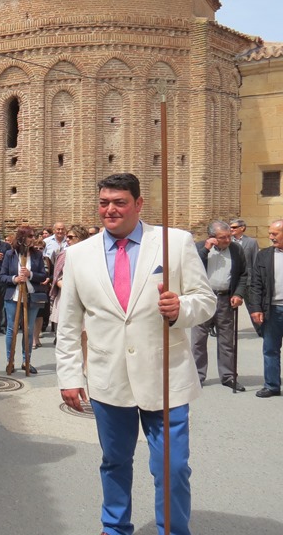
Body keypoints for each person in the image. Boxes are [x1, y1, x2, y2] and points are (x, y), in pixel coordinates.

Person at [55, 173, 215, 535]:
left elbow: (205, 301)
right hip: (108, 377)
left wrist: (181, 308)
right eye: (104, 202)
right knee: (114, 462)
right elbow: (67, 324)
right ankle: (115, 528)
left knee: (172, 467)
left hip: (165, 376)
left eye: (120, 202)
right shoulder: (78, 255)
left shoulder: (175, 243)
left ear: (139, 204)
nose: (110, 210)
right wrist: (68, 377)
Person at [190, 220, 248, 392]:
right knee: (198, 340)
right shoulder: (199, 247)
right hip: (203, 298)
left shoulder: (236, 249)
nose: (227, 240)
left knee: (226, 340)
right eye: (223, 238)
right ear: (212, 237)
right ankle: (197, 376)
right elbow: (191, 268)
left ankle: (228, 376)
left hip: (225, 299)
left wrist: (238, 294)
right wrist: (206, 249)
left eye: (229, 236)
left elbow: (244, 274)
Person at [0, 226, 48, 373]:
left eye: (33, 236)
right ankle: (10, 360)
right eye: (30, 236)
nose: (33, 239)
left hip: (31, 296)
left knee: (28, 329)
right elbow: (2, 276)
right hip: (13, 296)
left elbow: (43, 275)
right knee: (11, 329)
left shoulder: (37, 255)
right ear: (22, 238)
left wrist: (30, 274)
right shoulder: (10, 254)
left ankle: (26, 360)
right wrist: (15, 279)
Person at [248, 219, 283, 398]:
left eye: (274, 234)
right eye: (270, 233)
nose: (270, 237)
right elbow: (256, 284)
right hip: (273, 310)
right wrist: (255, 308)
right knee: (270, 349)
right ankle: (272, 385)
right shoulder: (264, 255)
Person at [230, 218, 263, 337]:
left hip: (248, 279)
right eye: (230, 227)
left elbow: (255, 260)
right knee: (228, 306)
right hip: (233, 279)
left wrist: (256, 278)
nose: (231, 229)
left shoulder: (251, 242)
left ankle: (261, 329)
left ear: (242, 228)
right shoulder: (228, 241)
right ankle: (224, 329)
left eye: (234, 227)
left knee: (252, 305)